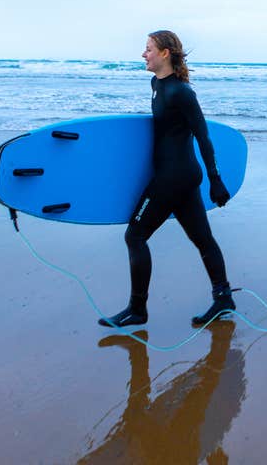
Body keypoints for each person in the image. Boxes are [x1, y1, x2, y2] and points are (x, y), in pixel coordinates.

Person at [99, 30, 235, 328]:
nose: (143, 54)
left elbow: (203, 137)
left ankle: (137, 309)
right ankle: (223, 298)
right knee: (202, 239)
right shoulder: (155, 84)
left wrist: (216, 180)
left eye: (148, 48)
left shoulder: (181, 92)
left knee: (135, 235)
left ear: (164, 53)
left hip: (175, 177)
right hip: (178, 176)